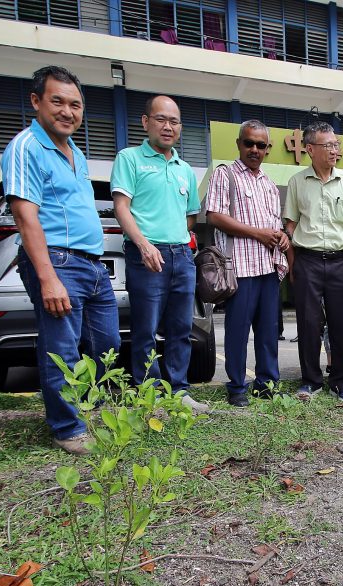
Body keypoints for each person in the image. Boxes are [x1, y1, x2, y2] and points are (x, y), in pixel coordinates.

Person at [3, 65, 121, 456]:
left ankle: (93, 408)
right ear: (36, 101)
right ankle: (67, 427)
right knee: (63, 348)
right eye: (58, 102)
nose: (68, 111)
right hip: (59, 262)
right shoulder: (26, 147)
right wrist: (48, 277)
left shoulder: (76, 152)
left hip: (91, 264)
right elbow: (25, 215)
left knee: (106, 343)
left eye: (75, 104)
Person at [111, 95, 208, 412]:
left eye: (174, 121)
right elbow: (121, 208)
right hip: (145, 256)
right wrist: (144, 243)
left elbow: (190, 215)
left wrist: (179, 237)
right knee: (146, 330)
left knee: (182, 328)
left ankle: (179, 391)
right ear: (145, 122)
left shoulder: (184, 169)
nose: (168, 127)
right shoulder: (130, 159)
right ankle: (150, 396)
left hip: (182, 256)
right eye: (161, 119)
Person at [204, 120, 289, 407]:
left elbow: (274, 223)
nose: (254, 149)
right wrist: (259, 233)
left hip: (267, 267)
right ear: (239, 144)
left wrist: (282, 238)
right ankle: (237, 386)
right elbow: (214, 215)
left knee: (268, 332)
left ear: (268, 148)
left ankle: (267, 383)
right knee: (238, 332)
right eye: (249, 143)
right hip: (239, 267)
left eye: (260, 145)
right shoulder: (225, 175)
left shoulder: (268, 184)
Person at [283, 122, 343, 402]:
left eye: (335, 144)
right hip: (307, 260)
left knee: (341, 322)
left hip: (340, 262)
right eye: (328, 145)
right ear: (310, 149)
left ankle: (342, 382)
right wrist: (295, 259)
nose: (334, 150)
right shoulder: (297, 182)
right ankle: (311, 381)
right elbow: (290, 224)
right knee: (308, 323)